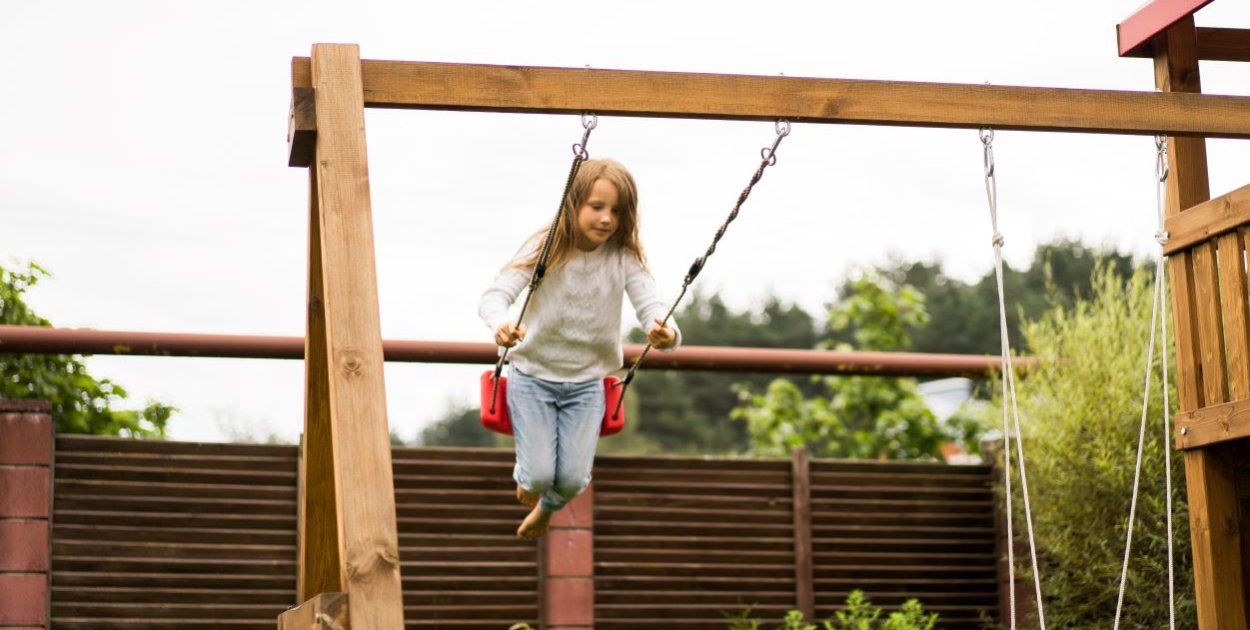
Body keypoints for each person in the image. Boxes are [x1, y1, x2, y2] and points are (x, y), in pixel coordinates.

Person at [478, 158, 680, 539]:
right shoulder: (548, 247)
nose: (606, 218)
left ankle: (546, 508)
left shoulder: (624, 257)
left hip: (587, 384)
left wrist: (665, 333)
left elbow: (651, 307)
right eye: (597, 206)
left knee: (572, 480)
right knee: (538, 473)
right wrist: (500, 326)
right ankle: (528, 479)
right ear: (572, 205)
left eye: (616, 211)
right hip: (533, 377)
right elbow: (494, 297)